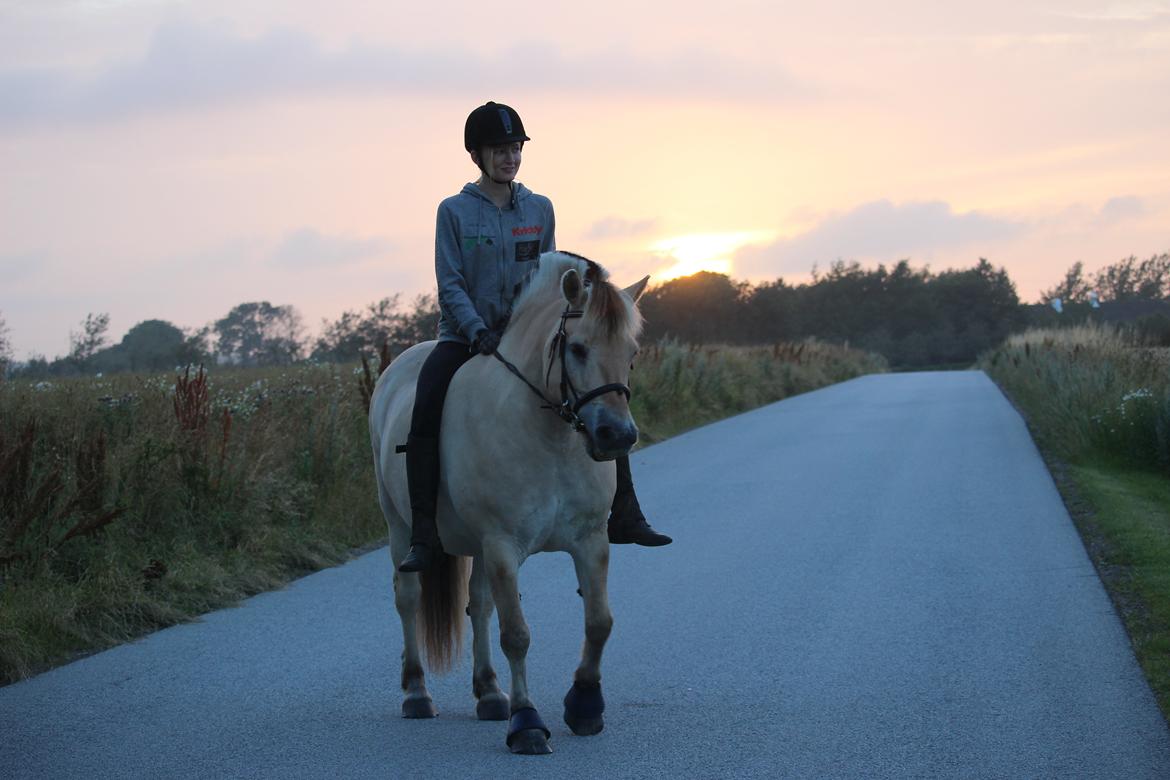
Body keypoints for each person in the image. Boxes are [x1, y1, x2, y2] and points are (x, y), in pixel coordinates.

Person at [398, 101, 671, 573]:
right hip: (466, 338)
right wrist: (477, 329)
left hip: (528, 340)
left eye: (515, 149)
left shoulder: (539, 208)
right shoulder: (454, 212)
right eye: (499, 150)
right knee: (424, 412)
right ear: (477, 155)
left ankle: (625, 513)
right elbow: (451, 284)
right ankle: (423, 535)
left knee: (601, 392)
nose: (510, 158)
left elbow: (549, 276)